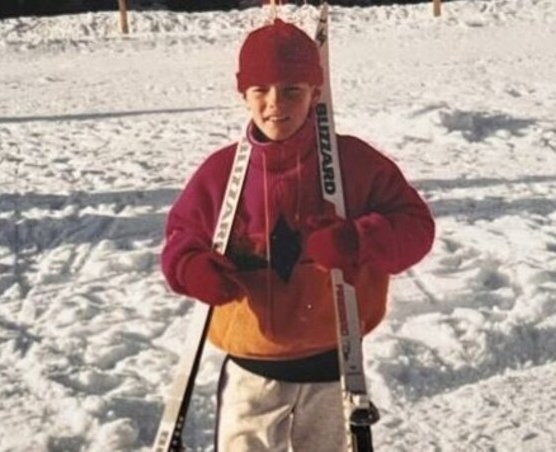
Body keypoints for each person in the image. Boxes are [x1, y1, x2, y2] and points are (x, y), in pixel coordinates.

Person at [161, 18, 435, 452]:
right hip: (252, 371)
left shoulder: (355, 163)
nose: (275, 104)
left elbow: (417, 227)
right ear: (243, 94)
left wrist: (359, 240)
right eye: (261, 90)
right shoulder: (220, 172)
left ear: (315, 92)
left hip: (335, 364)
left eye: (292, 90)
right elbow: (180, 238)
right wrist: (192, 268)